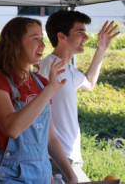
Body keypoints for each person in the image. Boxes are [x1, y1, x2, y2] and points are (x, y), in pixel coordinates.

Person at [0, 17, 78, 184]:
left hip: (41, 173)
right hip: (9, 175)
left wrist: (71, 175)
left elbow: (51, 138)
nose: (43, 44)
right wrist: (49, 91)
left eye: (42, 38)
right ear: (15, 43)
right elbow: (12, 128)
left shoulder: (41, 83)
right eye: (35, 38)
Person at [38, 10, 120, 182]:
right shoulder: (47, 67)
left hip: (71, 157)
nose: (86, 37)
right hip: (56, 159)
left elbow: (89, 84)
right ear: (62, 36)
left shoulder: (68, 68)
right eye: (80, 32)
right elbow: (39, 118)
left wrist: (101, 49)